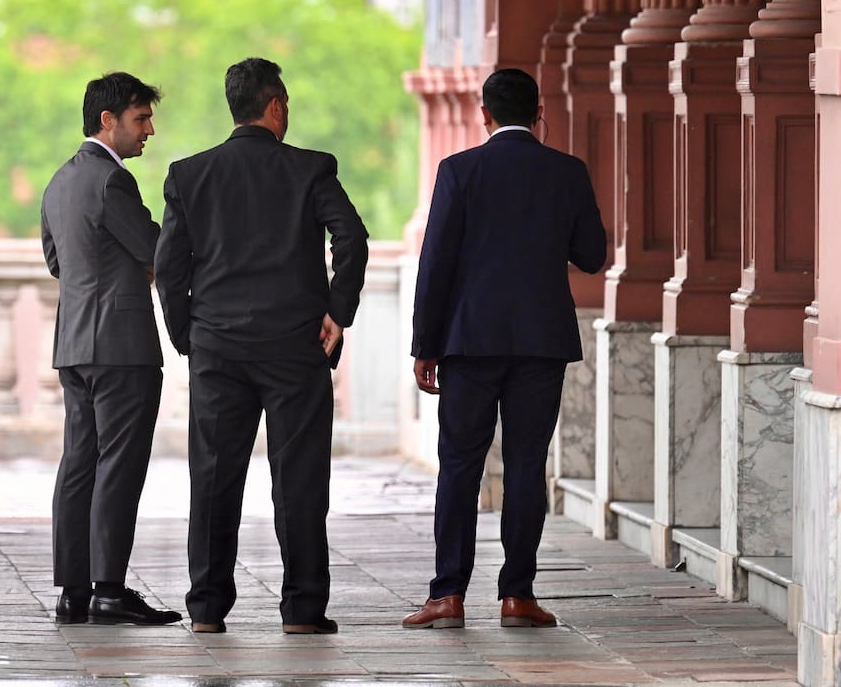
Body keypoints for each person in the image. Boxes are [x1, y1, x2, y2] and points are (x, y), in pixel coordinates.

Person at [155, 57, 369, 635]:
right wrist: (337, 312)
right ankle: (302, 611)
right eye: (287, 105)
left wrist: (188, 337)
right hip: (295, 347)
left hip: (217, 348)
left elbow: (169, 267)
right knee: (299, 480)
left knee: (214, 478)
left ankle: (205, 610)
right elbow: (350, 237)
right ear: (274, 107)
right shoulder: (309, 169)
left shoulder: (189, 174)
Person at [402, 68, 606, 630]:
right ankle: (517, 595)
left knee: (460, 465)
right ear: (539, 114)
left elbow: (435, 263)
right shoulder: (567, 172)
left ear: (483, 113)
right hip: (541, 342)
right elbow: (591, 255)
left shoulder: (459, 171)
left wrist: (426, 344)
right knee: (524, 465)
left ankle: (448, 595)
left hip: (469, 343)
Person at [41, 71, 181, 626]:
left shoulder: (58, 182)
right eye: (141, 118)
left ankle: (75, 592)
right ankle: (109, 590)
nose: (149, 130)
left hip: (73, 342)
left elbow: (59, 263)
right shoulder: (111, 181)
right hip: (121, 346)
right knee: (118, 466)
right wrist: (140, 268)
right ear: (108, 120)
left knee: (79, 463)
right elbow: (157, 249)